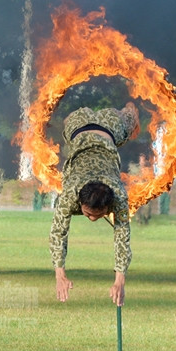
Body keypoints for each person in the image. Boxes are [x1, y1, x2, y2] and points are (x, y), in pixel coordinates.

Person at [51, 103, 139, 307]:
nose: (91, 219)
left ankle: (127, 111)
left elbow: (122, 236)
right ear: (79, 202)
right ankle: (126, 110)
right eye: (89, 214)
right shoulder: (71, 194)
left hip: (108, 126)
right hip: (81, 125)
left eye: (97, 215)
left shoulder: (117, 194)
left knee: (129, 121)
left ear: (108, 207)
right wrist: (59, 274)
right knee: (71, 122)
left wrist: (120, 281)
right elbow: (58, 233)